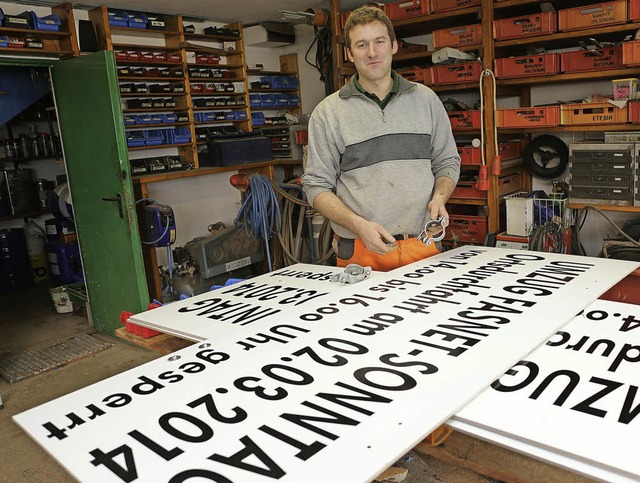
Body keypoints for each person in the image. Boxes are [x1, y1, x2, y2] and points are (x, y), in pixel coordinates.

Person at [301, 5, 460, 272]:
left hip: (424, 244)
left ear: (394, 46)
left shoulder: (426, 100)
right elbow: (315, 186)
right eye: (362, 45)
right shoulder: (328, 113)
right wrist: (358, 225)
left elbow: (447, 162)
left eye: (379, 42)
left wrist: (439, 197)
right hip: (361, 250)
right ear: (349, 54)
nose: (372, 52)